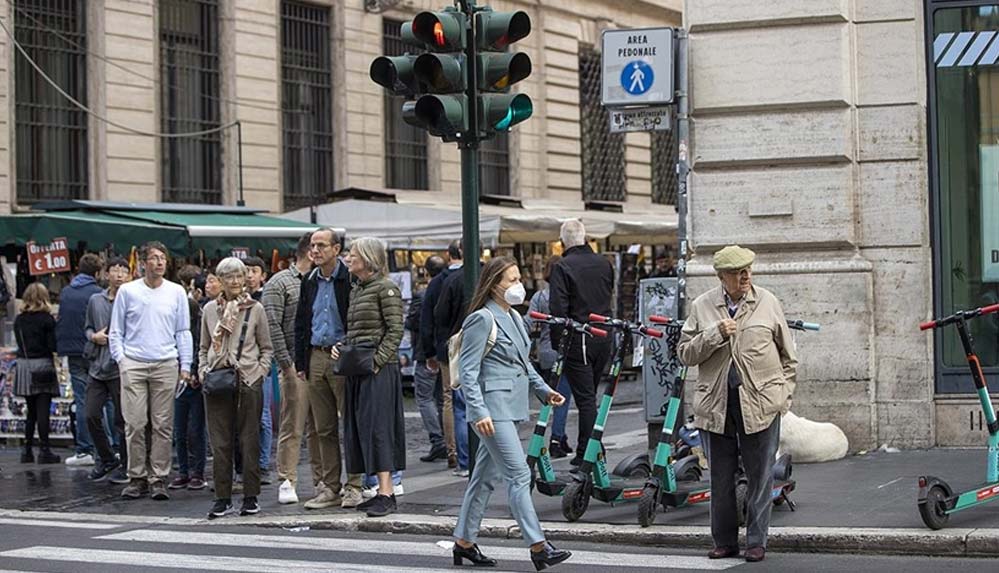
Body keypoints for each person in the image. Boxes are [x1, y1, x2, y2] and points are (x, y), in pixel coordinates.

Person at [678, 245, 798, 564]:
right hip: (716, 406)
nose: (745, 276)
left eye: (748, 269)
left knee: (761, 476)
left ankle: (757, 541)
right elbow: (685, 353)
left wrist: (781, 399)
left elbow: (790, 357)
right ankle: (725, 541)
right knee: (721, 477)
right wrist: (714, 333)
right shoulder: (702, 306)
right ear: (721, 276)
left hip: (760, 404)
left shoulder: (768, 302)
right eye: (737, 272)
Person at [451, 256, 571, 571]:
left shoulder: (516, 318)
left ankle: (464, 542)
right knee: (519, 475)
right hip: (491, 409)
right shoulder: (482, 319)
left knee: (484, 477)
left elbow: (524, 364)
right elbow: (468, 370)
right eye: (511, 280)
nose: (518, 285)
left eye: (519, 279)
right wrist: (477, 410)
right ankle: (538, 546)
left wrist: (545, 390)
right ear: (493, 285)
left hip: (510, 406)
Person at [109, 241, 193, 501]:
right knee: (134, 423)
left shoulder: (176, 292)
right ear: (143, 263)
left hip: (165, 362)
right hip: (133, 361)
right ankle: (136, 476)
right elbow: (116, 331)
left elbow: (183, 331)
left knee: (162, 425)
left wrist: (186, 365)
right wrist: (121, 360)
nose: (159, 262)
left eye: (163, 258)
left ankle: (158, 477)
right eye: (154, 258)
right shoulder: (128, 291)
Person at [331, 237, 405, 518]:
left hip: (376, 370)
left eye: (353, 254)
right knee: (361, 427)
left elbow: (395, 330)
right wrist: (343, 345)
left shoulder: (385, 288)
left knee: (378, 428)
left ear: (368, 258)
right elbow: (358, 330)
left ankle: (386, 492)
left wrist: (376, 362)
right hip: (360, 368)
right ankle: (379, 491)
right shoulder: (358, 289)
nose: (348, 258)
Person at [199, 257, 274, 519]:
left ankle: (251, 497)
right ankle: (222, 498)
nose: (235, 281)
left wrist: (259, 372)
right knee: (220, 443)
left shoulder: (255, 309)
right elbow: (203, 347)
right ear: (219, 281)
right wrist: (203, 370)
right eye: (229, 277)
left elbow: (266, 347)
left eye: (239, 276)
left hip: (248, 380)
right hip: (217, 379)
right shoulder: (209, 310)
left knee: (249, 439)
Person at [294, 228, 363, 509]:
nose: (316, 250)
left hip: (341, 355)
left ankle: (355, 485)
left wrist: (348, 347)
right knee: (323, 427)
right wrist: (301, 362)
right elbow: (301, 321)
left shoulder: (349, 280)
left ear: (337, 250)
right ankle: (330, 487)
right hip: (315, 355)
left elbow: (356, 318)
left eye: (321, 245)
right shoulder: (309, 280)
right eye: (313, 245)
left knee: (351, 422)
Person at [263, 233, 322, 505]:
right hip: (293, 362)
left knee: (322, 426)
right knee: (293, 424)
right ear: (310, 252)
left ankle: (324, 480)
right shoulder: (280, 282)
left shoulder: (322, 280)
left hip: (319, 361)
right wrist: (286, 364)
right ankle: (287, 479)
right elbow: (272, 325)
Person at [548, 220, 614, 466]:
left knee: (586, 399)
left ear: (563, 240)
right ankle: (591, 447)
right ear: (585, 237)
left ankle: (589, 451)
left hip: (579, 338)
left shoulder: (563, 266)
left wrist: (559, 345)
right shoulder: (604, 263)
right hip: (603, 336)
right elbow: (608, 295)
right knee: (590, 395)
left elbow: (558, 309)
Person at [84, 257, 131, 483]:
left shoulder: (131, 299)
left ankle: (127, 465)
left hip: (119, 366)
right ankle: (106, 457)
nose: (119, 275)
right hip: (97, 366)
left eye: (123, 271)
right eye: (115, 270)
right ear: (106, 273)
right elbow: (88, 327)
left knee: (122, 419)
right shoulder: (95, 300)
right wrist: (94, 336)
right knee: (90, 414)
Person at [56, 252, 105, 466]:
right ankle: (106, 447)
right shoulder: (98, 293)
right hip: (95, 350)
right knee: (105, 400)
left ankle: (84, 448)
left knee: (82, 399)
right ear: (96, 272)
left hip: (73, 352)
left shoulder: (66, 292)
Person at [524, 255, 574, 459]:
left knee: (548, 395)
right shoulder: (568, 295)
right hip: (562, 351)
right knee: (563, 397)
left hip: (545, 351)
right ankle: (556, 438)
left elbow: (529, 323)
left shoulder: (539, 297)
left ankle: (559, 438)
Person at [420, 243, 461, 470]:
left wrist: (430, 352)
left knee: (449, 397)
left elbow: (428, 318)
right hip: (472, 344)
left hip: (446, 347)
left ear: (449, 255)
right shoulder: (475, 275)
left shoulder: (437, 282)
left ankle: (452, 449)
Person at [435, 241, 474, 477]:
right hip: (484, 349)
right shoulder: (491, 276)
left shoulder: (451, 280)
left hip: (456, 348)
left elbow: (440, 315)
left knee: (458, 403)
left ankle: (464, 460)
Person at [169, 265, 208, 491]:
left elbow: (200, 348)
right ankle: (184, 471)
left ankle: (196, 472)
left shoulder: (198, 319)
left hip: (193, 380)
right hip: (181, 380)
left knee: (194, 429)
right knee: (181, 430)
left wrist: (194, 371)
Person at [13, 283, 61, 465]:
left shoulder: (19, 320)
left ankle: (26, 450)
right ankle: (44, 449)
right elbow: (52, 346)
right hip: (42, 364)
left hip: (24, 365)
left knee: (30, 410)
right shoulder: (47, 319)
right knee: (43, 410)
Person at [412, 255, 447, 463]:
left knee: (425, 398)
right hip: (443, 351)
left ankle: (438, 440)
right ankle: (446, 439)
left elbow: (418, 322)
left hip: (427, 352)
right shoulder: (449, 286)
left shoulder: (424, 294)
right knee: (443, 399)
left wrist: (427, 352)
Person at [244, 256, 274, 485]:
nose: (249, 275)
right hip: (242, 366)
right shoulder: (238, 301)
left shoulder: (265, 300)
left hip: (261, 365)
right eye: (246, 271)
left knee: (262, 416)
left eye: (254, 271)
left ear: (263, 275)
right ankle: (247, 463)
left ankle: (263, 464)